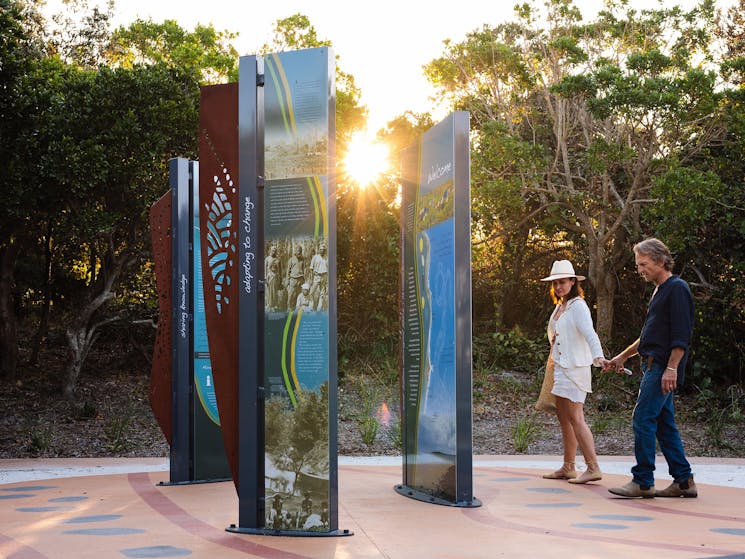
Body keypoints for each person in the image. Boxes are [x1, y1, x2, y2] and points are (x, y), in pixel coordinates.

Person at [605, 238, 697, 498]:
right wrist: (622, 357)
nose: (639, 270)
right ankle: (684, 481)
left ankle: (643, 481)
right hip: (652, 366)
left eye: (643, 264)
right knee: (664, 424)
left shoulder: (677, 288)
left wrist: (671, 369)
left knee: (642, 418)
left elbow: (681, 335)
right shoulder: (659, 290)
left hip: (661, 368)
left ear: (660, 261)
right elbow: (648, 336)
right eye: (637, 265)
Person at [540, 260, 606, 484]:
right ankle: (568, 466)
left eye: (563, 282)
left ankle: (593, 466)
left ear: (573, 282)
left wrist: (598, 357)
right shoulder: (561, 306)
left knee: (576, 417)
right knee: (564, 418)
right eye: (556, 283)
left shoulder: (578, 306)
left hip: (575, 369)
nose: (559, 287)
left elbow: (590, 334)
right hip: (560, 368)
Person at [285, 245, 306, 310]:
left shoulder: (303, 259)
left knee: (299, 294)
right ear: (295, 251)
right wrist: (287, 280)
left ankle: (296, 307)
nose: (298, 252)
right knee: (291, 294)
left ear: (301, 251)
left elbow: (304, 269)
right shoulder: (291, 259)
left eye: (300, 251)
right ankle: (289, 307)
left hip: (300, 279)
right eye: (297, 251)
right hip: (293, 279)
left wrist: (304, 278)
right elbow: (288, 270)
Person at [309, 243, 328, 310]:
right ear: (319, 250)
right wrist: (311, 278)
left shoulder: (326, 258)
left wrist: (327, 280)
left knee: (322, 293)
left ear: (325, 250)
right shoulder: (315, 257)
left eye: (323, 250)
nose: (322, 251)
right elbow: (311, 268)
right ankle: (311, 307)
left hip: (324, 276)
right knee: (311, 292)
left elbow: (329, 269)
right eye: (321, 249)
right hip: (316, 276)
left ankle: (319, 308)